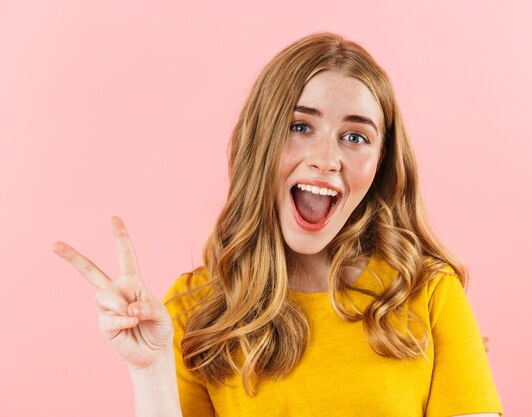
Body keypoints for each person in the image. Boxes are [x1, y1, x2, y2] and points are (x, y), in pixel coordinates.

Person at [53, 32, 504, 417]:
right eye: (299, 126)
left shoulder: (427, 294)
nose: (327, 160)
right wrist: (149, 371)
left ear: (380, 163)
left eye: (355, 137)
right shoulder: (192, 314)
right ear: (260, 138)